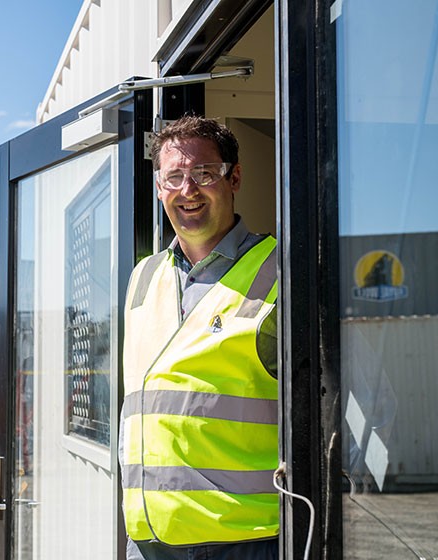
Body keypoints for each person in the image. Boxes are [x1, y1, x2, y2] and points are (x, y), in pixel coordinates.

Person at [121, 115, 279, 560]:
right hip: (149, 539)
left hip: (243, 540)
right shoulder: (143, 277)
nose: (187, 189)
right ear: (158, 186)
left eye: (203, 174)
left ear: (235, 178)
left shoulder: (282, 272)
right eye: (174, 176)